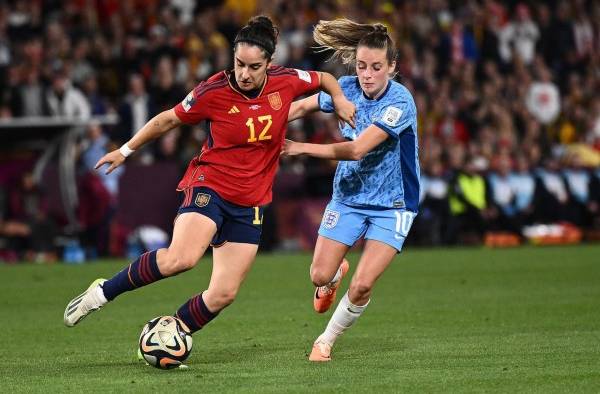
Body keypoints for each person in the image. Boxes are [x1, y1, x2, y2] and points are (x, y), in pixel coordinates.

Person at [63, 16, 355, 343]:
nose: (244, 73)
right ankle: (102, 292)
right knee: (181, 258)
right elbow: (167, 120)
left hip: (251, 201)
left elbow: (326, 78)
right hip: (210, 185)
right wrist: (126, 150)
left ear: (269, 64)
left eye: (254, 67)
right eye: (239, 63)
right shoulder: (213, 90)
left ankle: (171, 334)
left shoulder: (287, 80)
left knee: (223, 294)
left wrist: (340, 100)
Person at [283, 19, 419, 362]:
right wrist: (262, 119)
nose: (368, 75)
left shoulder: (400, 102)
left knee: (362, 285)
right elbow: (299, 107)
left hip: (394, 204)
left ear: (392, 67)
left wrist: (300, 148)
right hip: (348, 197)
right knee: (318, 274)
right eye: (361, 66)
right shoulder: (346, 88)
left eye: (376, 67)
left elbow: (358, 149)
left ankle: (325, 341)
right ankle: (331, 279)